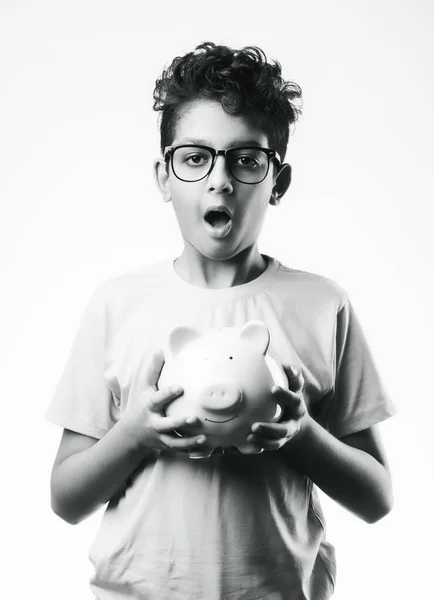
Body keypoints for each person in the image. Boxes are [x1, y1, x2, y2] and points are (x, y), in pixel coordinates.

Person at [47, 41, 396, 600]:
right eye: (195, 157)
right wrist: (136, 433)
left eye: (246, 159)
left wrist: (301, 434)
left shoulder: (322, 305)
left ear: (277, 181)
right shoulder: (116, 305)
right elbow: (66, 498)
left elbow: (377, 497)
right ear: (165, 176)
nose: (220, 180)